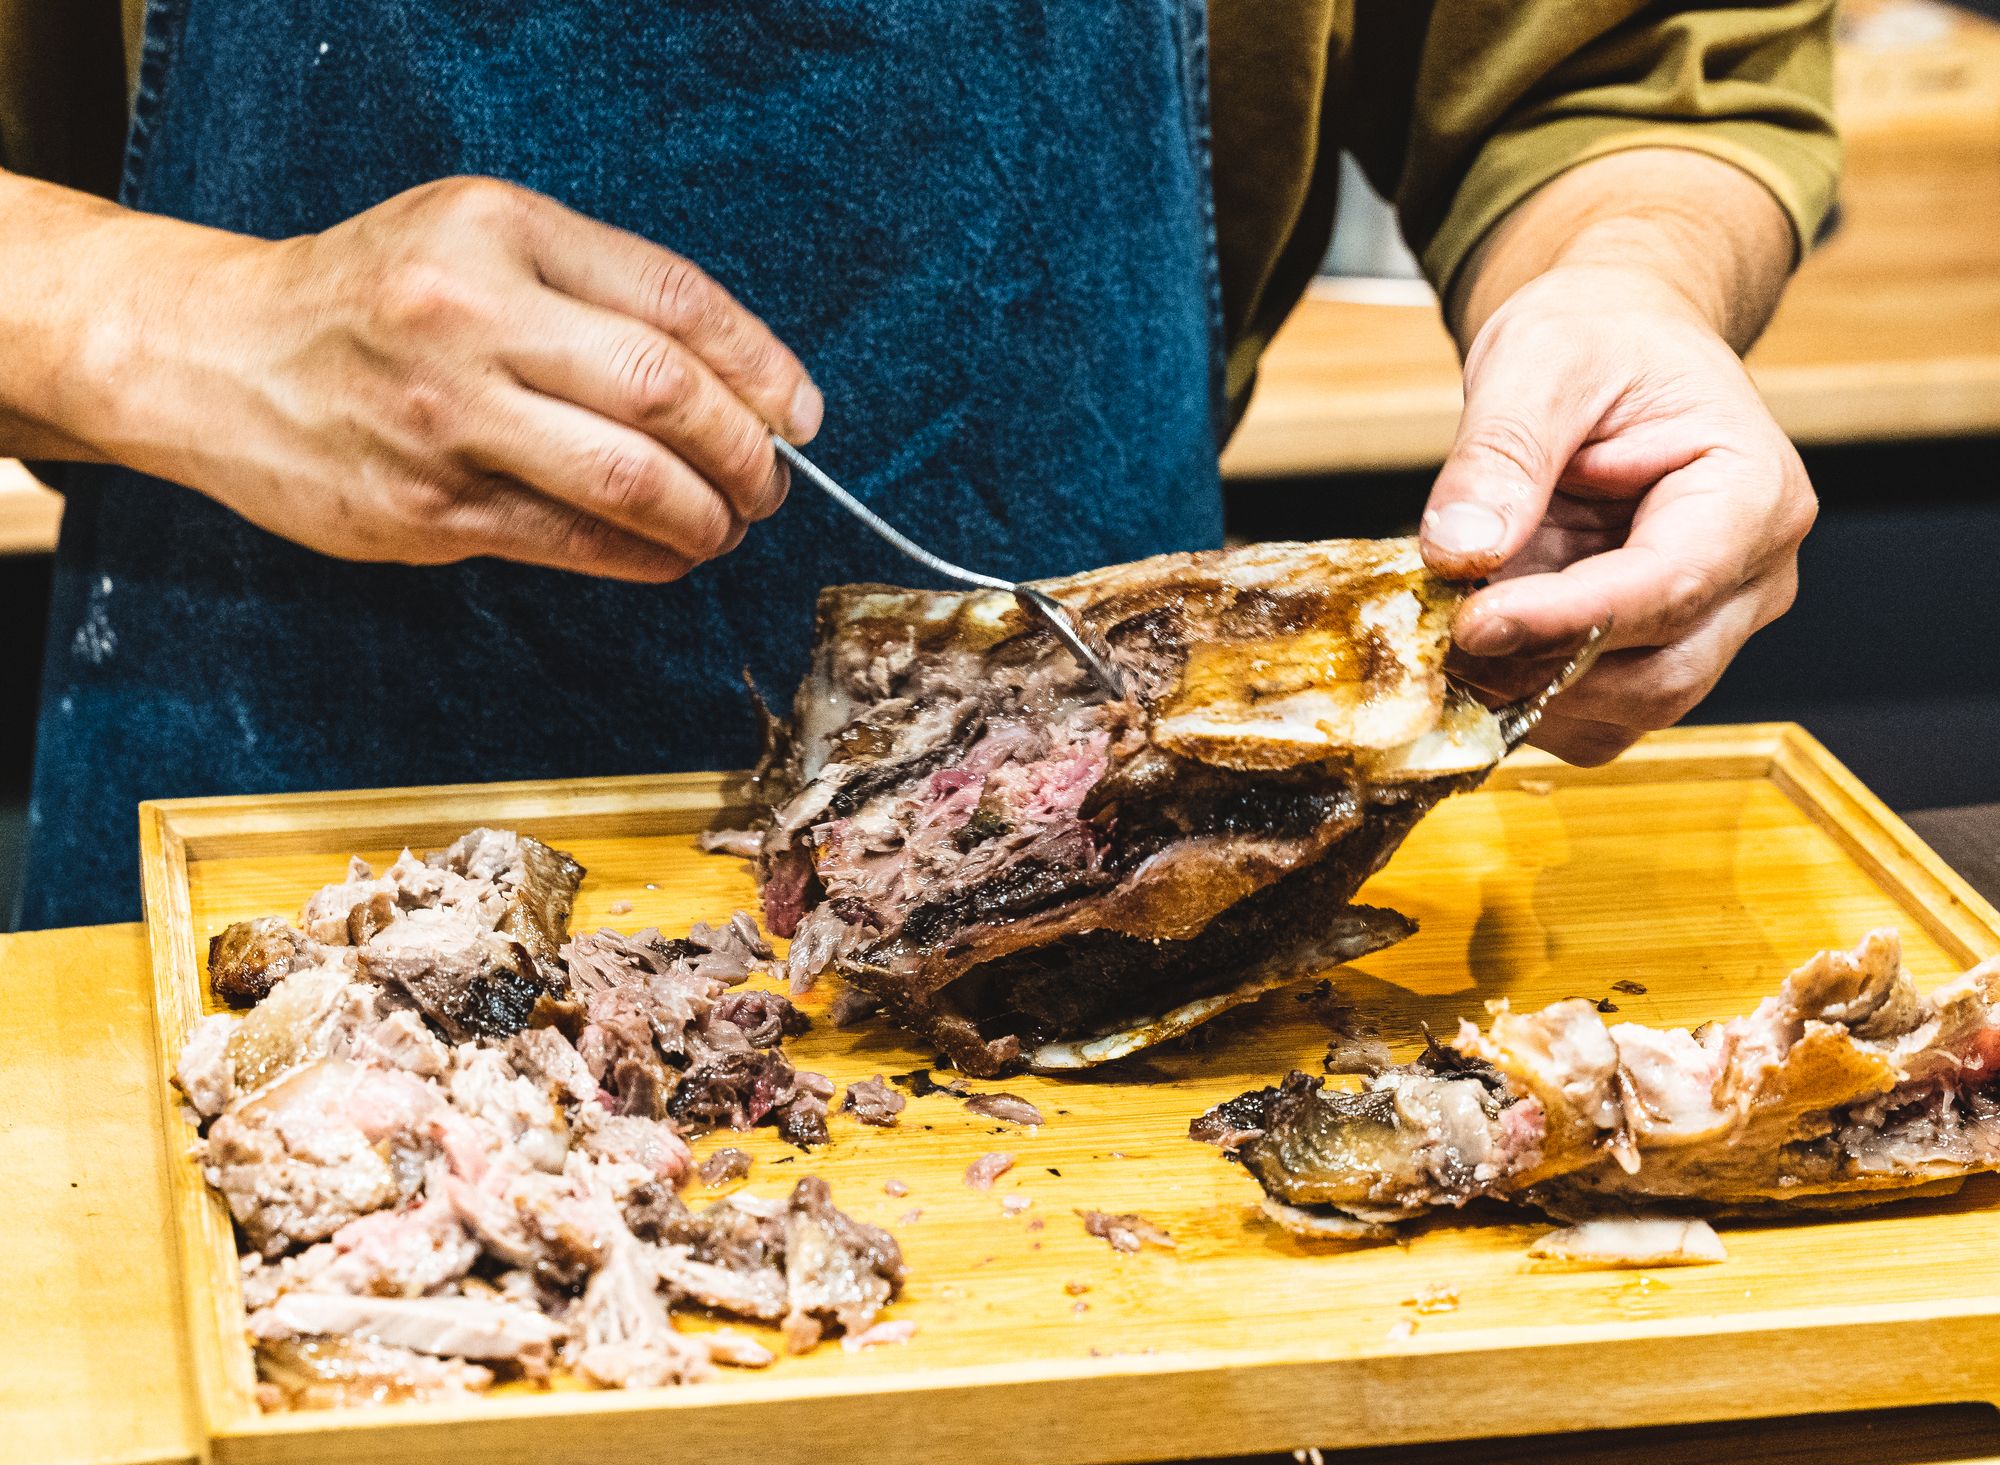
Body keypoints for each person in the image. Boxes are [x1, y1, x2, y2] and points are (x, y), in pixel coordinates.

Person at [0, 2, 1835, 929]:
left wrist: (1626, 283)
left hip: (1111, 894)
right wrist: (151, 320)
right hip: (264, 891)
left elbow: (1619, 72)